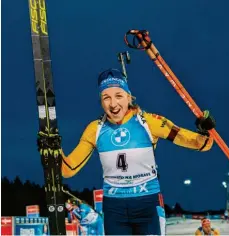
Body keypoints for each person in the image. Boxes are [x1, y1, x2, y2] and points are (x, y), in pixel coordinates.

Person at [38, 68, 215, 235]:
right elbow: (68, 170)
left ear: (128, 97)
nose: (113, 104)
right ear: (101, 101)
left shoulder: (149, 122)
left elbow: (201, 144)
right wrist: (53, 149)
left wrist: (205, 130)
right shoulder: (95, 129)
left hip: (146, 204)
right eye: (106, 97)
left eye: (118, 96)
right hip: (115, 209)